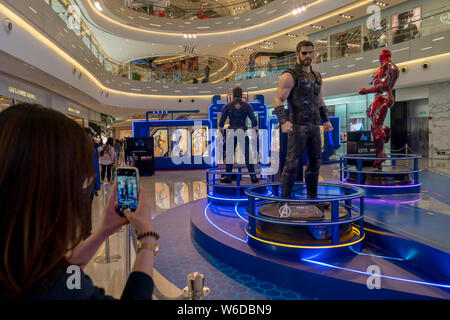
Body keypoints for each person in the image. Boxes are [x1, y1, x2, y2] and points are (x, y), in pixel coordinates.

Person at [0, 103, 157, 299]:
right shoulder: (52, 290)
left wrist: (103, 231)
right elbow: (60, 284)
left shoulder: (20, 261)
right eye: (80, 177)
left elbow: (60, 274)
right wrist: (148, 239)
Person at [273, 40, 334, 199]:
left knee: (315, 164)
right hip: (297, 126)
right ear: (297, 54)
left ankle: (312, 198)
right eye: (304, 53)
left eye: (310, 53)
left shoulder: (317, 76)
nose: (308, 56)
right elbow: (278, 99)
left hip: (314, 126)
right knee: (292, 164)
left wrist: (326, 120)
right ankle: (285, 201)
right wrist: (284, 121)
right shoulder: (289, 76)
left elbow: (320, 101)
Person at [358, 50, 399, 168]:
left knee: (375, 128)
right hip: (382, 98)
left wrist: (366, 91)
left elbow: (383, 85)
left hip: (382, 97)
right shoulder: (387, 68)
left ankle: (380, 155)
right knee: (374, 123)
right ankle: (385, 132)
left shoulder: (388, 67)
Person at [218, 86, 259, 184]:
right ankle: (253, 177)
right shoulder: (247, 106)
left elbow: (221, 122)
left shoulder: (227, 106)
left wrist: (221, 133)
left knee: (230, 155)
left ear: (232, 95)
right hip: (243, 131)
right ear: (242, 95)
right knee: (247, 154)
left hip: (231, 132)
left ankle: (228, 177)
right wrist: (255, 132)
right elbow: (254, 120)